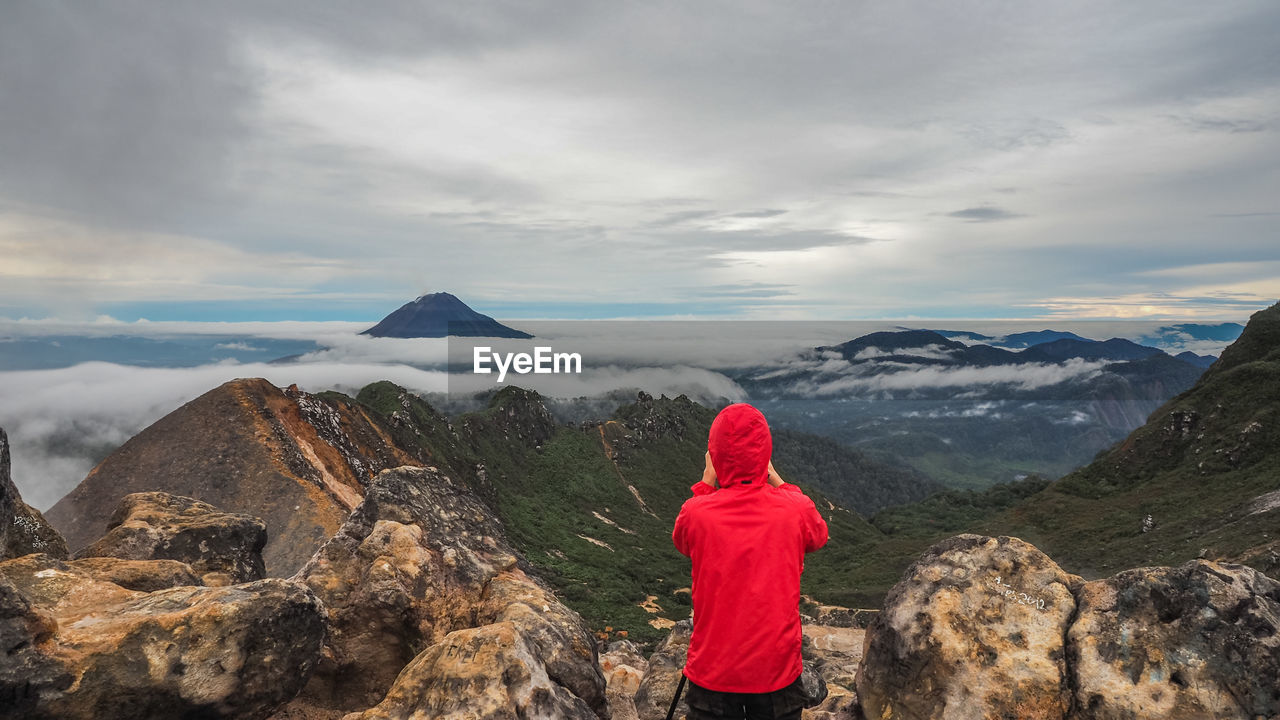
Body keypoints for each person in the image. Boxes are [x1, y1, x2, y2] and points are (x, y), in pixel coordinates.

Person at [672, 403, 829, 720]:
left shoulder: (697, 513)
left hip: (713, 672)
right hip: (776, 672)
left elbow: (682, 540)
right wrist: (774, 478)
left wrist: (706, 480)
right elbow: (818, 535)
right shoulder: (794, 509)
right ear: (765, 452)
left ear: (715, 456)